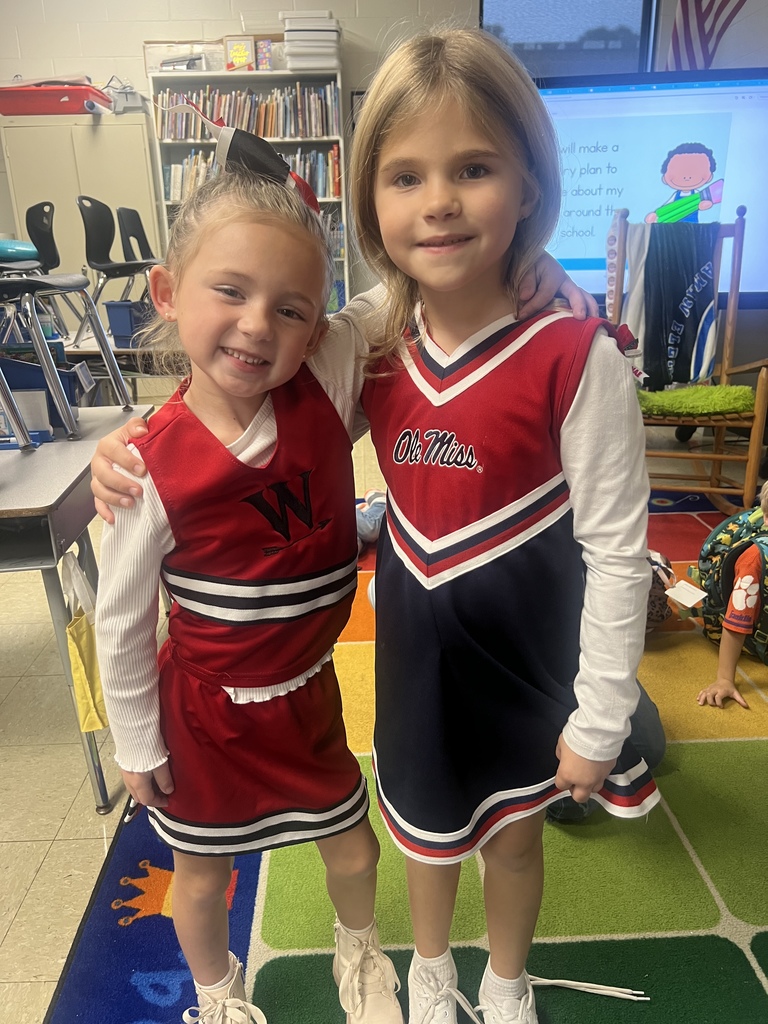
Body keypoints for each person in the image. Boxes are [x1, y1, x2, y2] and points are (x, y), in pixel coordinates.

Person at [90, 28, 656, 1024]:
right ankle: (428, 974)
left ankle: (507, 982)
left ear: (529, 182)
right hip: (414, 656)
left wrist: (604, 711)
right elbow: (240, 394)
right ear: (372, 207)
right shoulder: (369, 342)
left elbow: (619, 548)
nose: (437, 200)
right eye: (405, 176)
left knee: (515, 837)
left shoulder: (576, 351)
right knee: (424, 836)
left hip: (529, 653)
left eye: (473, 168)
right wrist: (129, 446)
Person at [94, 168, 405, 1024]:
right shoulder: (144, 467)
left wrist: (524, 260)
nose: (258, 325)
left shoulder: (327, 375)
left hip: (307, 698)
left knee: (351, 844)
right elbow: (119, 622)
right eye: (229, 291)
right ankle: (218, 996)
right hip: (204, 715)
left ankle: (361, 952)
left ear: (317, 325)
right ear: (166, 291)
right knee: (200, 874)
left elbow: (395, 290)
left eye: (292, 308)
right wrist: (135, 742)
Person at [696, 481, 768, 710]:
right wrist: (725, 680)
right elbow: (737, 620)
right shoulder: (754, 560)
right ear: (766, 519)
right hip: (753, 630)